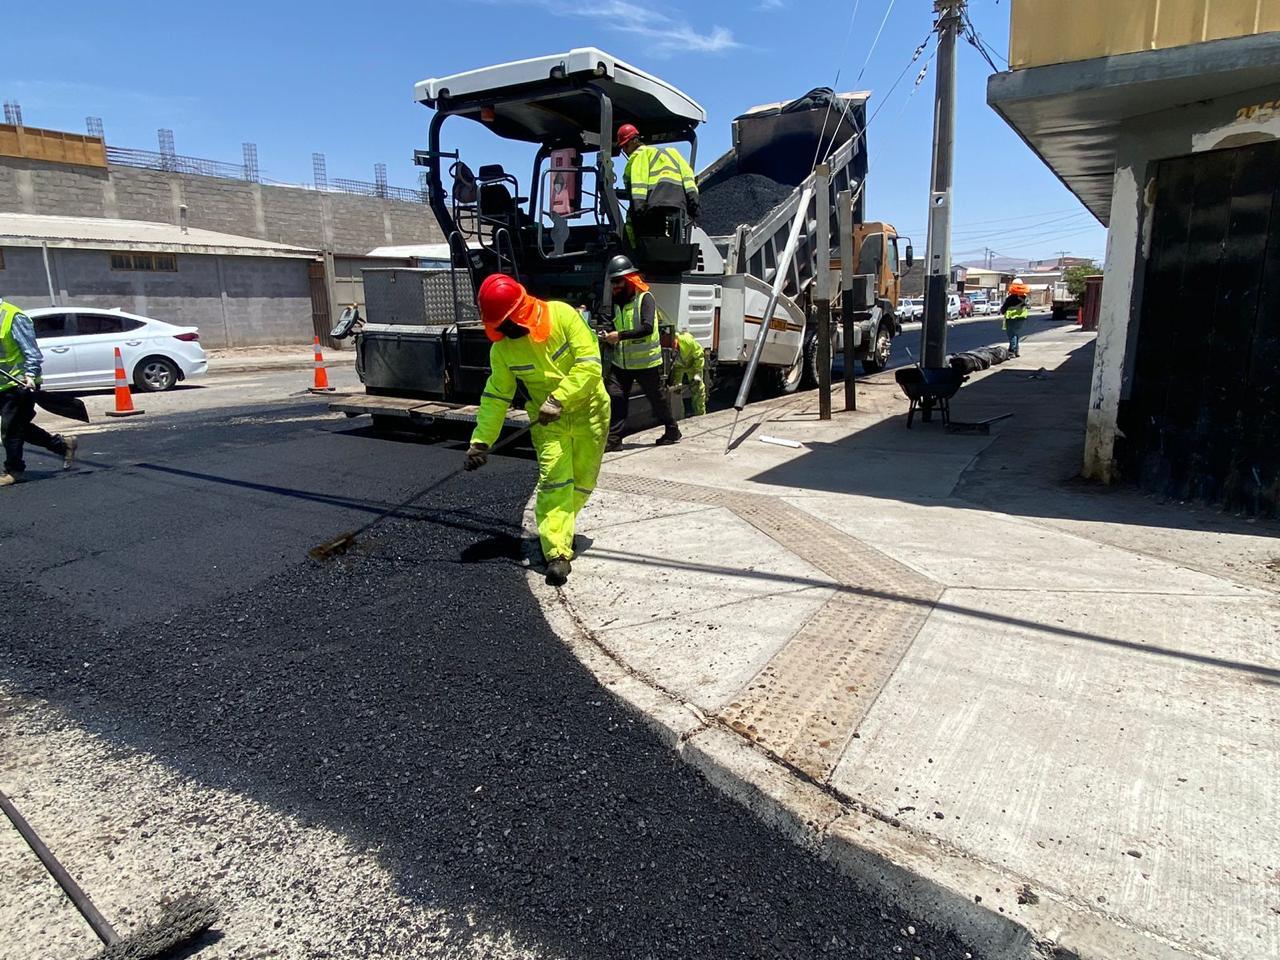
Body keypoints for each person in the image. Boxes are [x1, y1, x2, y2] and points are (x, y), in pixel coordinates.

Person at [465, 274, 609, 586]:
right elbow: (496, 395)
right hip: (547, 424)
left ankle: (561, 525)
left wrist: (559, 398)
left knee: (583, 481)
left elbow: (589, 365)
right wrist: (481, 441)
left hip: (590, 413)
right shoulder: (503, 350)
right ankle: (556, 552)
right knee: (555, 481)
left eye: (505, 324)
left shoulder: (563, 316)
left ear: (520, 312)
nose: (503, 331)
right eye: (497, 326)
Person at [602, 255, 680, 451]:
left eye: (617, 282)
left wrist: (619, 336)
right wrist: (607, 334)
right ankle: (614, 440)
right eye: (612, 283)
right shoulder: (619, 303)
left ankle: (672, 430)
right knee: (616, 397)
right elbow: (616, 324)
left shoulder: (645, 299)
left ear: (628, 280)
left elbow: (647, 328)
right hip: (622, 364)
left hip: (645, 364)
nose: (614, 287)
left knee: (656, 399)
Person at [1, 297, 76, 486]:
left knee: (10, 429)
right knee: (19, 428)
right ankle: (62, 445)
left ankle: (14, 470)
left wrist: (30, 375)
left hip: (20, 383)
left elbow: (32, 352)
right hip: (2, 385)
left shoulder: (13, 316)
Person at [616, 123, 699, 243]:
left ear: (635, 141)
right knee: (675, 244)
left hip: (655, 206)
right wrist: (693, 205)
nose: (624, 150)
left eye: (626, 145)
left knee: (651, 243)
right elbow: (688, 177)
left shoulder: (640, 156)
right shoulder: (672, 153)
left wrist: (638, 209)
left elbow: (639, 185)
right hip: (678, 205)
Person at [669, 329, 707, 417]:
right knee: (676, 391)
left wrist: (697, 375)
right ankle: (679, 416)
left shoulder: (687, 341)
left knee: (698, 388)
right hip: (679, 368)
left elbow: (699, 355)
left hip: (692, 365)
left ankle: (700, 414)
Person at [999, 279, 1031, 358]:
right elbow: (1029, 306)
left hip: (1012, 318)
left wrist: (1002, 311)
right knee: (1016, 334)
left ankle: (1012, 351)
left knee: (1012, 334)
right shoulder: (1025, 298)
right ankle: (1015, 350)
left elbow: (1004, 308)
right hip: (1022, 318)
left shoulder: (1011, 298)